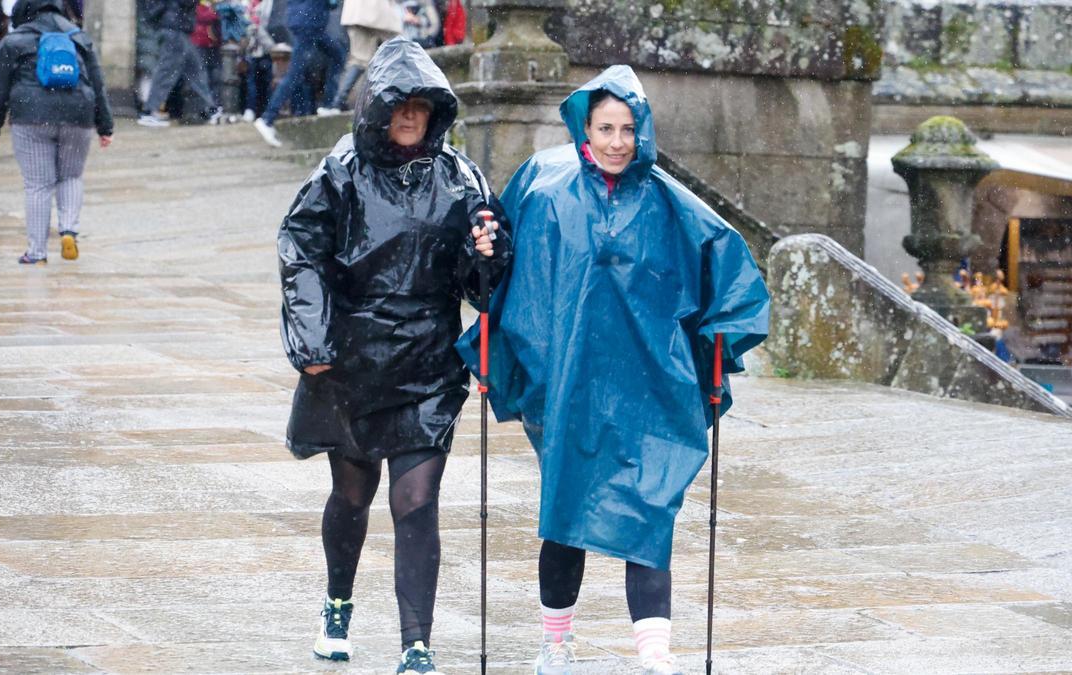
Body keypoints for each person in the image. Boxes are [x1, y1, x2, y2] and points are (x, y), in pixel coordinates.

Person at [457, 65, 770, 675]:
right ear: (586, 129)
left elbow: (728, 272)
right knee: (568, 513)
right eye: (606, 128)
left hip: (651, 388)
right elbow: (505, 280)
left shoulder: (673, 206)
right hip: (568, 383)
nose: (618, 141)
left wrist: (718, 347)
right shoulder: (545, 192)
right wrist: (497, 340)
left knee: (650, 511)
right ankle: (556, 643)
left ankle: (656, 657)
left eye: (629, 128)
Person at [278, 36, 510, 675]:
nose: (410, 118)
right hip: (353, 362)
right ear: (377, 110)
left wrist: (491, 253)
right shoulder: (340, 171)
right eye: (399, 107)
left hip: (430, 366)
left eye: (422, 107)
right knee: (352, 497)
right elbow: (301, 249)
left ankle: (417, 643)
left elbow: (479, 284)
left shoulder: (461, 178)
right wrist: (313, 341)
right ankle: (337, 604)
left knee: (416, 501)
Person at [0, 0, 113, 265]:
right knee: (71, 176)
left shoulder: (14, 41)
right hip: (78, 113)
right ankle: (68, 230)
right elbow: (97, 83)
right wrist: (105, 125)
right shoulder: (78, 37)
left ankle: (37, 252)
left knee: (38, 185)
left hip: (32, 116)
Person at [251, 0, 342, 144]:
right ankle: (267, 119)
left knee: (337, 56)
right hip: (311, 21)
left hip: (303, 19)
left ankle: (328, 105)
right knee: (294, 74)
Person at [138, 0, 221, 127]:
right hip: (175, 29)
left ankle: (210, 109)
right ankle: (149, 111)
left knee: (195, 70)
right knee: (167, 72)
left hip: (178, 28)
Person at [315, 0, 399, 116]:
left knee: (359, 61)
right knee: (398, 53)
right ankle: (403, 98)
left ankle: (336, 104)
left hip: (356, 13)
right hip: (379, 12)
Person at [241, 0, 274, 122]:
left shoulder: (269, 3)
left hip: (267, 48)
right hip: (251, 50)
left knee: (267, 82)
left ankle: (266, 111)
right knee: (251, 82)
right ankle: (251, 109)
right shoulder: (246, 4)